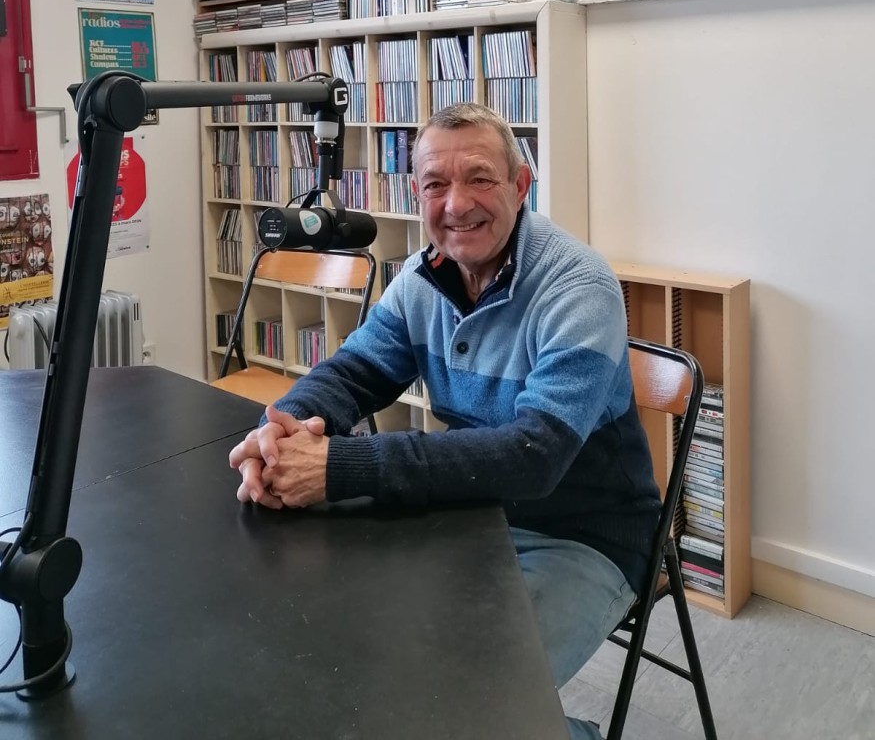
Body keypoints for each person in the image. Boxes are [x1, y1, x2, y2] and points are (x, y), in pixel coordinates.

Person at [229, 103, 661, 739]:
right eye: (436, 184)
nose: (457, 204)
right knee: (350, 646)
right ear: (418, 194)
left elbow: (534, 457)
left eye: (480, 178)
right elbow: (355, 372)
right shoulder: (420, 279)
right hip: (470, 509)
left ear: (520, 184)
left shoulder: (578, 286)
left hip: (585, 535)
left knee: (462, 705)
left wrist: (339, 467)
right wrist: (284, 427)